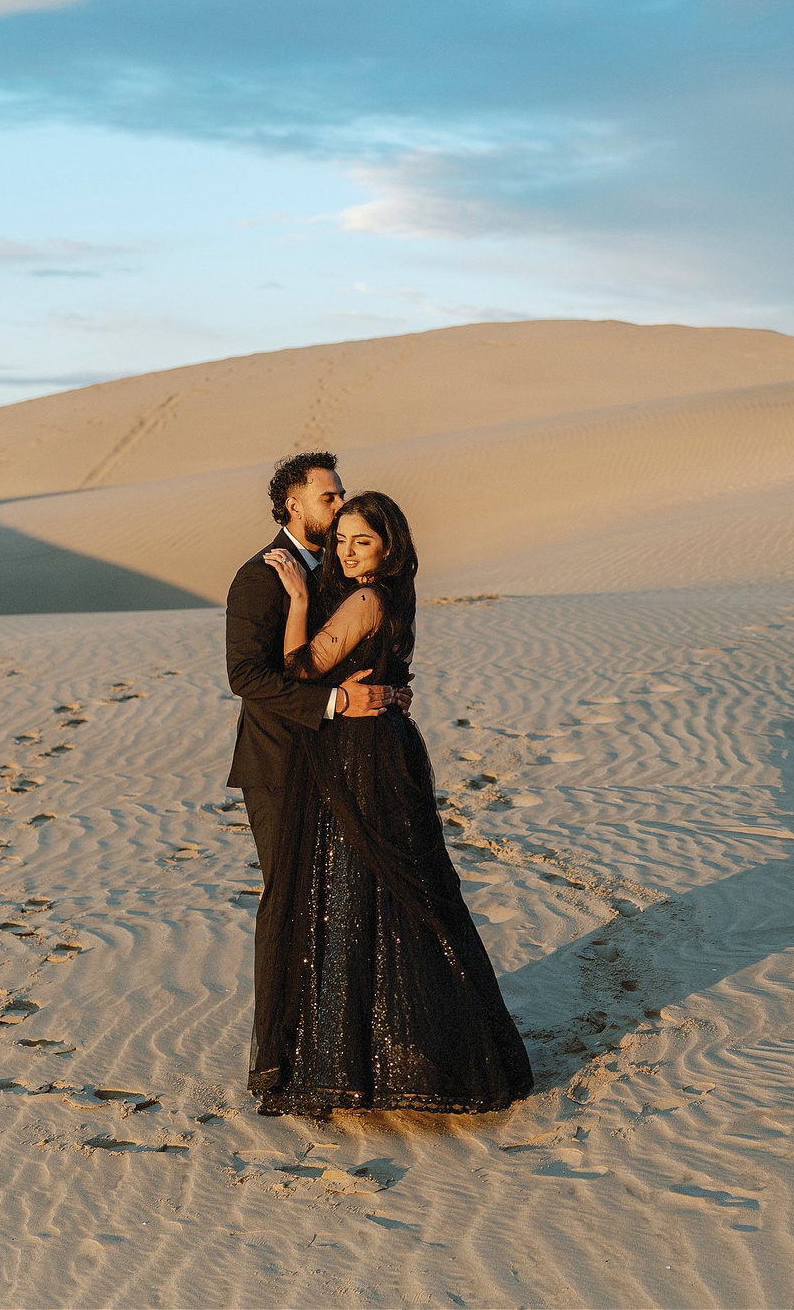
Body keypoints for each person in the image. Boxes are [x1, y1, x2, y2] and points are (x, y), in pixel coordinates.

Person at [248, 490, 534, 1115]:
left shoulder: (368, 599)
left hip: (360, 754)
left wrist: (297, 599)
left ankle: (370, 1059)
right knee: (389, 892)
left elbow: (298, 668)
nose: (347, 553)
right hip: (382, 745)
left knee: (357, 890)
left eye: (362, 542)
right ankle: (404, 1048)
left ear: (388, 547)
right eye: (341, 540)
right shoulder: (393, 592)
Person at [223, 453, 410, 894]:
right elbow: (245, 676)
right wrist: (338, 701)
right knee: (287, 896)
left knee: (335, 895)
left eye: (342, 494)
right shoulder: (260, 576)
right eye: (328, 497)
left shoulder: (343, 565)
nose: (340, 503)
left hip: (337, 759)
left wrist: (390, 689)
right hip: (280, 761)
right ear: (295, 506)